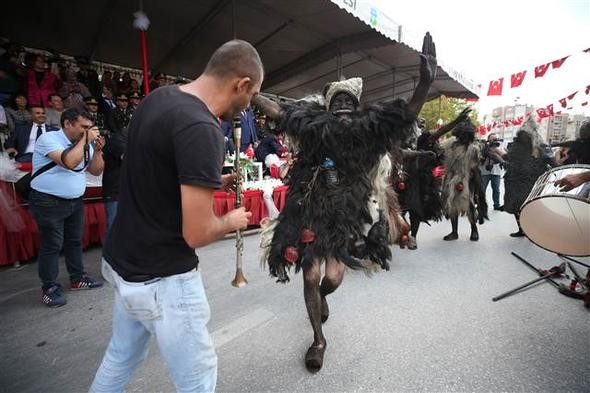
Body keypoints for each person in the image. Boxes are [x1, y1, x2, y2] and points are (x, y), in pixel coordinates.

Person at [253, 32, 437, 371]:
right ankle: (318, 340)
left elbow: (403, 117)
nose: (341, 107)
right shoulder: (312, 128)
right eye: (336, 102)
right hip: (309, 209)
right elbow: (280, 112)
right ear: (326, 107)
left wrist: (425, 84)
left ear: (357, 108)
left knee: (333, 278)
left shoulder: (369, 134)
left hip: (346, 216)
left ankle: (323, 296)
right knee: (309, 276)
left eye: (347, 103)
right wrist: (250, 90)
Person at [90, 39, 260, 392]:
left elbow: (158, 172)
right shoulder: (202, 128)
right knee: (197, 378)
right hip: (163, 281)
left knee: (120, 358)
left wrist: (213, 181)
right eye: (252, 95)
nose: (247, 107)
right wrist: (232, 221)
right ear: (241, 84)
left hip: (125, 262)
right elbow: (196, 234)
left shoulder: (160, 97)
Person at [29, 107, 105, 307]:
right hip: (47, 201)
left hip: (75, 201)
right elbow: (70, 162)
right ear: (67, 124)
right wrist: (85, 141)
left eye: (90, 127)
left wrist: (97, 151)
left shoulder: (84, 143)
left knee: (74, 242)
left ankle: (77, 278)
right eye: (83, 127)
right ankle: (49, 288)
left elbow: (96, 171)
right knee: (52, 245)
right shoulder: (49, 139)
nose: (87, 131)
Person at [395, 110, 470, 249]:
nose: (417, 127)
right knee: (397, 210)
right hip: (398, 178)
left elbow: (440, 132)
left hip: (417, 181)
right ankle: (401, 234)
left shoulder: (423, 140)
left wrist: (456, 121)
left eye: (418, 125)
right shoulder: (397, 140)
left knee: (415, 211)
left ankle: (413, 237)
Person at [502, 117, 555, 237]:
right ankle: (523, 230)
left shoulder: (541, 146)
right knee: (519, 207)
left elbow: (552, 162)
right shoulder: (519, 146)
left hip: (531, 182)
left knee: (529, 207)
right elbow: (509, 158)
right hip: (517, 180)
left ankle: (529, 230)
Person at [440, 119, 488, 241]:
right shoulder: (449, 145)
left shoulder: (473, 149)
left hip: (466, 180)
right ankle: (454, 232)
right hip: (450, 179)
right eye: (462, 136)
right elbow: (441, 157)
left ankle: (474, 230)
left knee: (469, 205)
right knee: (451, 205)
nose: (464, 138)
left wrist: (473, 180)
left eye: (466, 136)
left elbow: (475, 166)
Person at [479, 132, 506, 210]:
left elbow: (504, 156)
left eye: (495, 138)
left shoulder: (500, 147)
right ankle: (481, 205)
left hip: (496, 172)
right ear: (488, 139)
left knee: (496, 189)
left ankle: (496, 205)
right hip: (484, 172)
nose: (494, 140)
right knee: (482, 189)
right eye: (492, 139)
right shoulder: (483, 147)